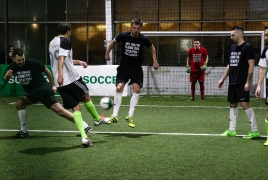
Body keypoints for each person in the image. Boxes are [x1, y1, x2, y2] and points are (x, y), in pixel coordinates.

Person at [3, 48, 93, 147]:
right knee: (60, 111)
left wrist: (53, 85)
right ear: (14, 59)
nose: (21, 62)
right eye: (19, 60)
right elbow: (6, 79)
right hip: (39, 91)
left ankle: (23, 131)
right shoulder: (12, 66)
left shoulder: (33, 62)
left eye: (23, 59)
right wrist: (7, 77)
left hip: (41, 88)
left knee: (20, 104)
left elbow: (46, 70)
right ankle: (85, 126)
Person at [49, 23, 109, 138]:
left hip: (60, 83)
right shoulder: (65, 41)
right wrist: (61, 75)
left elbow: (62, 59)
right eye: (70, 32)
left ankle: (84, 137)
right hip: (70, 79)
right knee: (86, 94)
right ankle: (97, 119)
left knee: (75, 107)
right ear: (68, 31)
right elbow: (61, 58)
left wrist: (78, 62)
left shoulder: (52, 43)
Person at [105, 18, 159, 128]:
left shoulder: (144, 39)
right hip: (124, 68)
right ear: (131, 27)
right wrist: (107, 53)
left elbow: (152, 48)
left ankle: (130, 116)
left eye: (138, 29)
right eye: (134, 28)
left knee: (137, 89)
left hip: (136, 69)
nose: (135, 30)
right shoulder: (124, 35)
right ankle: (115, 115)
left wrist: (155, 61)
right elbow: (113, 42)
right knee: (119, 88)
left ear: (141, 29)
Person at [218, 26, 260, 139]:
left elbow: (251, 65)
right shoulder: (232, 47)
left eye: (233, 35)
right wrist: (223, 79)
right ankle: (232, 130)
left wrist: (248, 82)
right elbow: (230, 64)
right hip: (232, 81)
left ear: (240, 34)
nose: (231, 37)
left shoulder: (247, 47)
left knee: (245, 104)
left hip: (242, 81)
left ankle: (255, 130)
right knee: (232, 104)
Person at [255, 26, 268, 145]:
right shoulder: (266, 51)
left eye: (267, 35)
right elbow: (262, 69)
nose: (265, 38)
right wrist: (259, 85)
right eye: (265, 35)